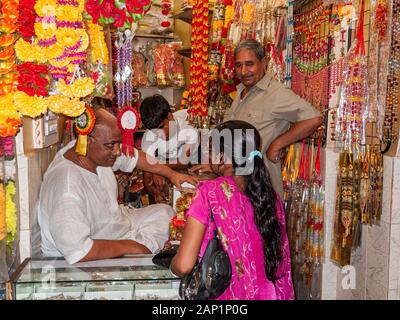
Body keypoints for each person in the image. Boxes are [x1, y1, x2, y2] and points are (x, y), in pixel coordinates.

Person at [37, 107, 198, 264]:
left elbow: (135, 156)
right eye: (111, 145)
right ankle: (144, 257)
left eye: (117, 144)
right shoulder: (67, 186)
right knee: (160, 240)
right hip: (94, 249)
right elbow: (79, 251)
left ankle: (145, 252)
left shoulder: (93, 151)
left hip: (117, 224)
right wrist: (132, 247)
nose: (117, 151)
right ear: (87, 141)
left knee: (166, 213)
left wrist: (172, 174)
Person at [171, 120, 294, 300]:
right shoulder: (270, 197)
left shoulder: (208, 193)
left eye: (211, 150)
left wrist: (171, 263)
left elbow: (183, 266)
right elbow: (282, 267)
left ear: (222, 156)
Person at [191, 39, 322, 198]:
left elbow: (314, 118)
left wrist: (277, 144)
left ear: (264, 62)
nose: (243, 71)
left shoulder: (275, 93)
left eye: (249, 64)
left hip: (259, 189)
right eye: (239, 65)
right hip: (235, 186)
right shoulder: (241, 92)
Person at [139, 94, 199, 203]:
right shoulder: (148, 138)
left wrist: (157, 169)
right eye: (153, 131)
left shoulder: (189, 123)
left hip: (192, 182)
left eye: (162, 127)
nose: (159, 134)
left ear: (170, 116)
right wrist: (155, 193)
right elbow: (147, 179)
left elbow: (183, 161)